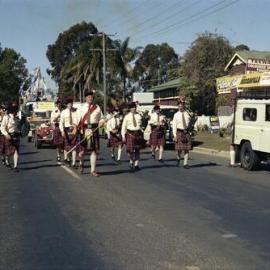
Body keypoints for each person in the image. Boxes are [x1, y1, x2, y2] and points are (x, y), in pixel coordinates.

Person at [77, 90, 104, 176]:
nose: (90, 98)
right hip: (83, 129)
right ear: (85, 98)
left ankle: (93, 170)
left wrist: (102, 122)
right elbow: (77, 119)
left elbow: (102, 118)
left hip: (94, 129)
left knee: (94, 151)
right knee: (82, 151)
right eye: (88, 97)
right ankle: (81, 164)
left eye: (91, 97)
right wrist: (78, 128)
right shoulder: (81, 107)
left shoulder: (97, 107)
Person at [121, 102, 144, 171]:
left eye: (134, 107)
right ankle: (131, 161)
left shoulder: (139, 116)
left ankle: (136, 165)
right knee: (130, 151)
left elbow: (142, 125)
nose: (134, 108)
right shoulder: (127, 116)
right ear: (130, 109)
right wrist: (123, 136)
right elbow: (123, 127)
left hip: (138, 134)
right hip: (130, 134)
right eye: (132, 107)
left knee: (137, 150)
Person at [172, 97, 192, 169]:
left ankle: (185, 163)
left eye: (182, 105)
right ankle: (178, 158)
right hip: (179, 132)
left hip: (186, 132)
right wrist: (174, 135)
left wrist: (192, 130)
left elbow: (191, 122)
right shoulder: (176, 115)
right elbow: (174, 126)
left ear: (184, 106)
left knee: (187, 149)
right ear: (178, 106)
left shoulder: (187, 113)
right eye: (179, 106)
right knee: (179, 149)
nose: (180, 107)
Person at [0, 102, 21, 172]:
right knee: (9, 152)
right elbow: (2, 128)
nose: (16, 111)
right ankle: (7, 161)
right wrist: (6, 134)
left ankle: (15, 166)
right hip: (9, 136)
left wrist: (20, 132)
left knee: (16, 151)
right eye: (15, 110)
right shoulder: (6, 118)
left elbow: (18, 127)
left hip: (16, 136)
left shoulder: (17, 118)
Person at [59, 97, 79, 168]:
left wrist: (75, 128)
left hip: (74, 130)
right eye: (69, 104)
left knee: (74, 147)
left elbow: (77, 121)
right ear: (67, 105)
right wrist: (62, 131)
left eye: (71, 104)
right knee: (66, 147)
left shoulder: (75, 112)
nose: (70, 105)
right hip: (66, 130)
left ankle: (73, 163)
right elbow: (61, 122)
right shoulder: (63, 112)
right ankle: (66, 159)